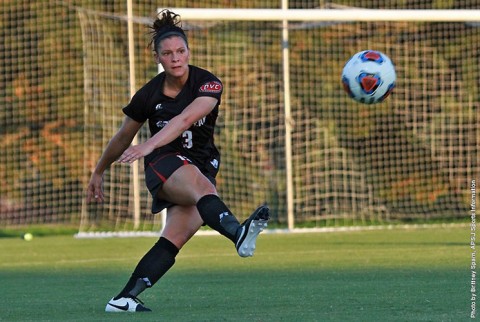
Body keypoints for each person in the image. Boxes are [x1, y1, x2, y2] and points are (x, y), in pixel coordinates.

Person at [86, 9, 270, 313]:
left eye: (180, 51)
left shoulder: (208, 84)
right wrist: (98, 171)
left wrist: (147, 143)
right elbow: (121, 137)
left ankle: (123, 299)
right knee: (201, 189)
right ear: (158, 57)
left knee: (174, 237)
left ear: (188, 51)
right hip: (164, 163)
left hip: (200, 164)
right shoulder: (147, 95)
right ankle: (238, 234)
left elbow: (185, 119)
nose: (175, 58)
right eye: (168, 53)